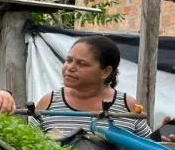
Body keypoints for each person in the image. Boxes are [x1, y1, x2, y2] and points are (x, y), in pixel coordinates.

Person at [34, 35, 174, 141]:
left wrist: (161, 140)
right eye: (69, 60)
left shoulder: (127, 106)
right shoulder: (48, 102)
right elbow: (27, 146)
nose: (70, 68)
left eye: (82, 63)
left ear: (105, 72)